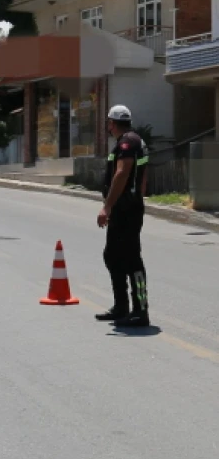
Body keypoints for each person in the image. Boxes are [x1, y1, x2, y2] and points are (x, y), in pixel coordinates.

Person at [96, 104, 150, 328]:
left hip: (125, 210)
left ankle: (140, 310)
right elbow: (143, 176)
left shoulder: (127, 143)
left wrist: (107, 207)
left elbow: (122, 172)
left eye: (108, 123)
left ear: (112, 123)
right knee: (113, 256)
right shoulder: (134, 142)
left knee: (131, 259)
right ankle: (121, 306)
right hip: (127, 208)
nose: (108, 127)